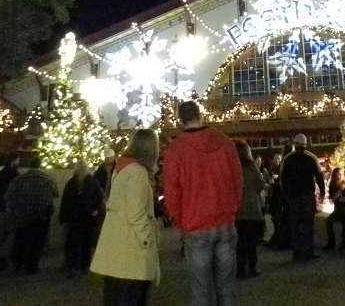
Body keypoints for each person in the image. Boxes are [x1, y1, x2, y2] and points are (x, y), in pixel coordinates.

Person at [163, 100, 242, 306]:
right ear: (200, 115)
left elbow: (171, 191)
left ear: (181, 120)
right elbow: (237, 179)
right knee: (226, 288)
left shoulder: (176, 149)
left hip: (195, 225)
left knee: (200, 290)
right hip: (224, 222)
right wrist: (233, 209)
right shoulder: (224, 142)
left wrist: (180, 221)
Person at [90, 129, 161, 306]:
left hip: (118, 247)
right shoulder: (137, 172)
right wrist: (148, 238)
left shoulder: (122, 168)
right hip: (132, 248)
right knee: (132, 296)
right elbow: (136, 212)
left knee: (115, 294)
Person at [5, 154, 59, 274]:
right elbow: (56, 193)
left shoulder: (19, 179)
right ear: (39, 165)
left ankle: (19, 264)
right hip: (41, 217)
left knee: (22, 240)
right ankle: (31, 266)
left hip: (22, 216)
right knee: (37, 242)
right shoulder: (47, 179)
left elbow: (9, 196)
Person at [279, 133, 326, 262]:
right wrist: (322, 192)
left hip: (293, 196)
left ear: (295, 144)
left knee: (295, 225)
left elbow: (282, 178)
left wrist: (286, 194)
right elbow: (319, 176)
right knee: (308, 224)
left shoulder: (288, 158)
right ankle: (308, 251)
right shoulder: (312, 158)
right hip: (307, 196)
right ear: (305, 144)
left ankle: (297, 252)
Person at [60, 160, 105, 277]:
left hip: (86, 216)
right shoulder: (73, 183)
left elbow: (99, 196)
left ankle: (82, 266)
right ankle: (75, 267)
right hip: (77, 216)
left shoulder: (90, 181)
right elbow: (66, 199)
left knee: (84, 242)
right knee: (75, 242)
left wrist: (96, 209)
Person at [234, 141, 266, 279]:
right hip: (252, 208)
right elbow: (260, 185)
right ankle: (252, 267)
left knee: (239, 242)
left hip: (237, 210)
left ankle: (240, 269)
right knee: (251, 241)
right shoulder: (252, 167)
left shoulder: (232, 168)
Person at [0, 152, 21, 272]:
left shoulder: (0, 175)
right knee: (9, 237)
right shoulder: (13, 175)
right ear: (13, 161)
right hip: (9, 210)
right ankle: (5, 260)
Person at [325, 167, 345, 250]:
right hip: (338, 208)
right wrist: (339, 191)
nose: (339, 176)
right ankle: (332, 242)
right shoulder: (333, 185)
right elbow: (332, 200)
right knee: (328, 221)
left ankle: (344, 244)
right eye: (337, 174)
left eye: (341, 174)